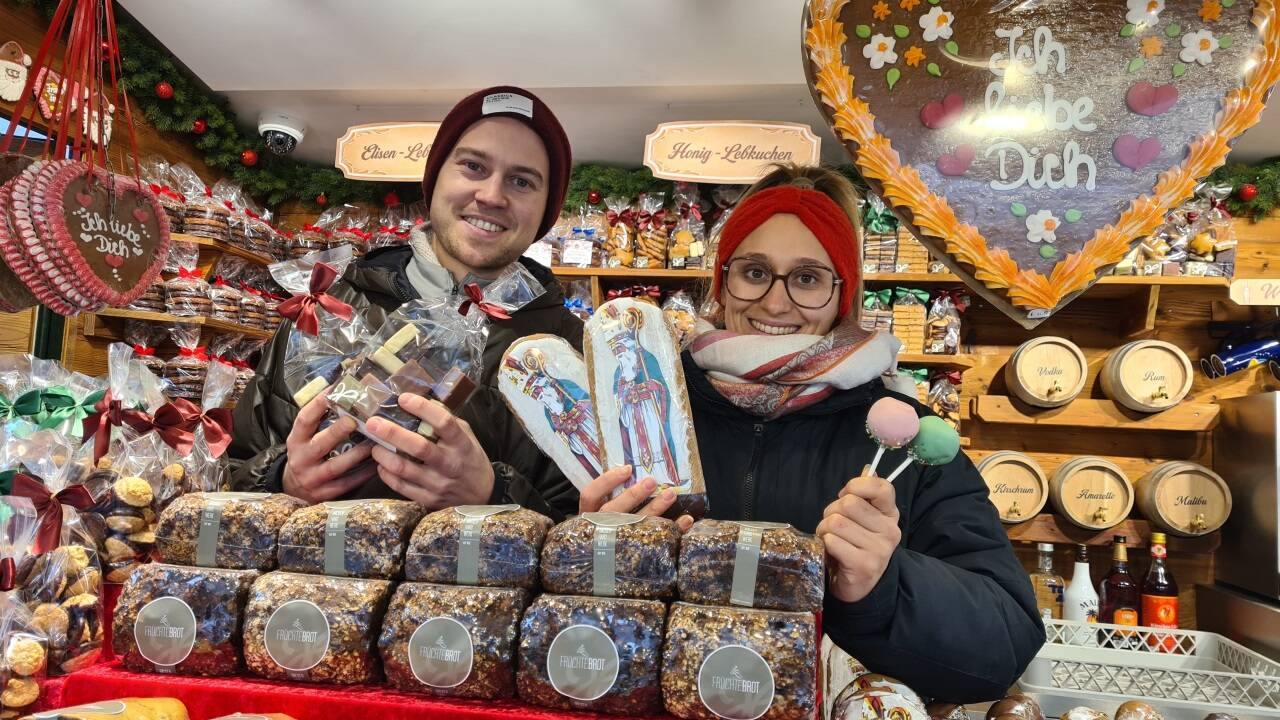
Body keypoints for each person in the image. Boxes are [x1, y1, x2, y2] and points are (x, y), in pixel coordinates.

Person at [577, 164, 1044, 702]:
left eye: (807, 278)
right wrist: (593, 559)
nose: (776, 304)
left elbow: (1007, 640)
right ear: (722, 282)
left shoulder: (901, 440)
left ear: (841, 293)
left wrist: (883, 587)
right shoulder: (646, 411)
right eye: (754, 271)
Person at [229, 85, 583, 521]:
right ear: (435, 178)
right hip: (313, 589)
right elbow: (236, 469)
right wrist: (282, 479)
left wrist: (493, 499)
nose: (492, 195)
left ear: (546, 209)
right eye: (473, 166)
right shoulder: (327, 309)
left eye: (522, 181)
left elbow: (589, 530)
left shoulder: (570, 351)